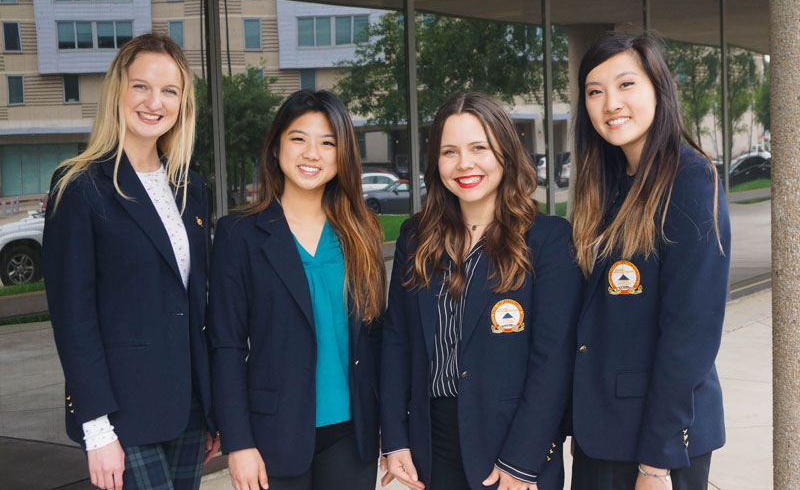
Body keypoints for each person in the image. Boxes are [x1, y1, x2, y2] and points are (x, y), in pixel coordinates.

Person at [42, 33, 219, 490]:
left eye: (169, 91)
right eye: (141, 86)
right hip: (122, 415)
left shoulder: (191, 187)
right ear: (118, 91)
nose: (154, 102)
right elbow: (73, 319)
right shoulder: (79, 186)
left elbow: (197, 305)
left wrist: (212, 407)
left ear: (183, 103)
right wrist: (95, 427)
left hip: (190, 410)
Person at [381, 92, 583, 490]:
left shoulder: (549, 240)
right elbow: (396, 341)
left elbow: (553, 359)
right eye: (449, 151)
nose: (464, 164)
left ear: (505, 153)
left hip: (512, 442)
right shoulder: (415, 237)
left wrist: (523, 460)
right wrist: (395, 438)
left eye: (479, 148)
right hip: (431, 444)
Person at [569, 34, 731, 490]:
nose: (610, 103)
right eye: (595, 92)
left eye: (625, 85)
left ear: (659, 89)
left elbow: (690, 333)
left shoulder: (691, 181)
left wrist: (656, 463)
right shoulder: (606, 184)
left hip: (656, 444)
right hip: (601, 433)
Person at [207, 89, 385, 490]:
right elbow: (227, 345)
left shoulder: (363, 232)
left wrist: (388, 427)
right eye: (299, 139)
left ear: (343, 156)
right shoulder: (239, 234)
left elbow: (375, 337)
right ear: (276, 147)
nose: (312, 153)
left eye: (328, 143)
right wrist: (238, 442)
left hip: (352, 433)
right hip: (272, 434)